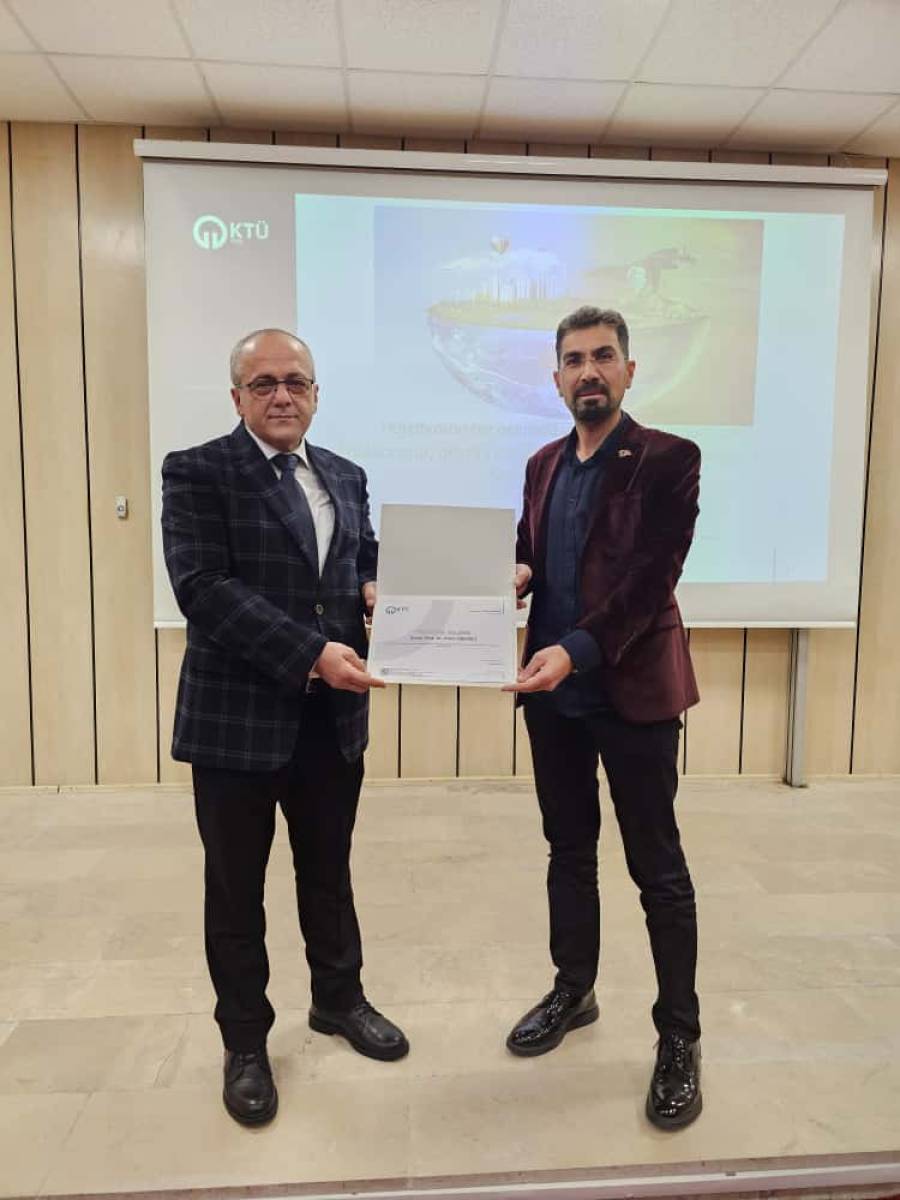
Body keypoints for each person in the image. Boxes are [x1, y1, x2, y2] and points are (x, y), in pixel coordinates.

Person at [162, 328, 407, 1127]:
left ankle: (339, 999)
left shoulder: (345, 474)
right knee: (236, 889)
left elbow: (360, 557)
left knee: (328, 871)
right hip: (236, 722)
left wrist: (379, 588)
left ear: (315, 394)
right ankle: (244, 1042)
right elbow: (203, 587)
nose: (281, 395)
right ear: (237, 396)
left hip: (331, 723)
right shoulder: (197, 470)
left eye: (295, 381)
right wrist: (311, 654)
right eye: (263, 382)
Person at [506, 306, 702, 1130]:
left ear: (629, 370)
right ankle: (573, 989)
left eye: (604, 356)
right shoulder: (541, 464)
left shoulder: (668, 459)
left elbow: (651, 580)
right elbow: (532, 550)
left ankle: (679, 1036)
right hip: (552, 700)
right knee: (568, 851)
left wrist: (576, 650)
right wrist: (512, 574)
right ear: (556, 378)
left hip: (631, 693)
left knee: (658, 870)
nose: (589, 370)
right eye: (574, 359)